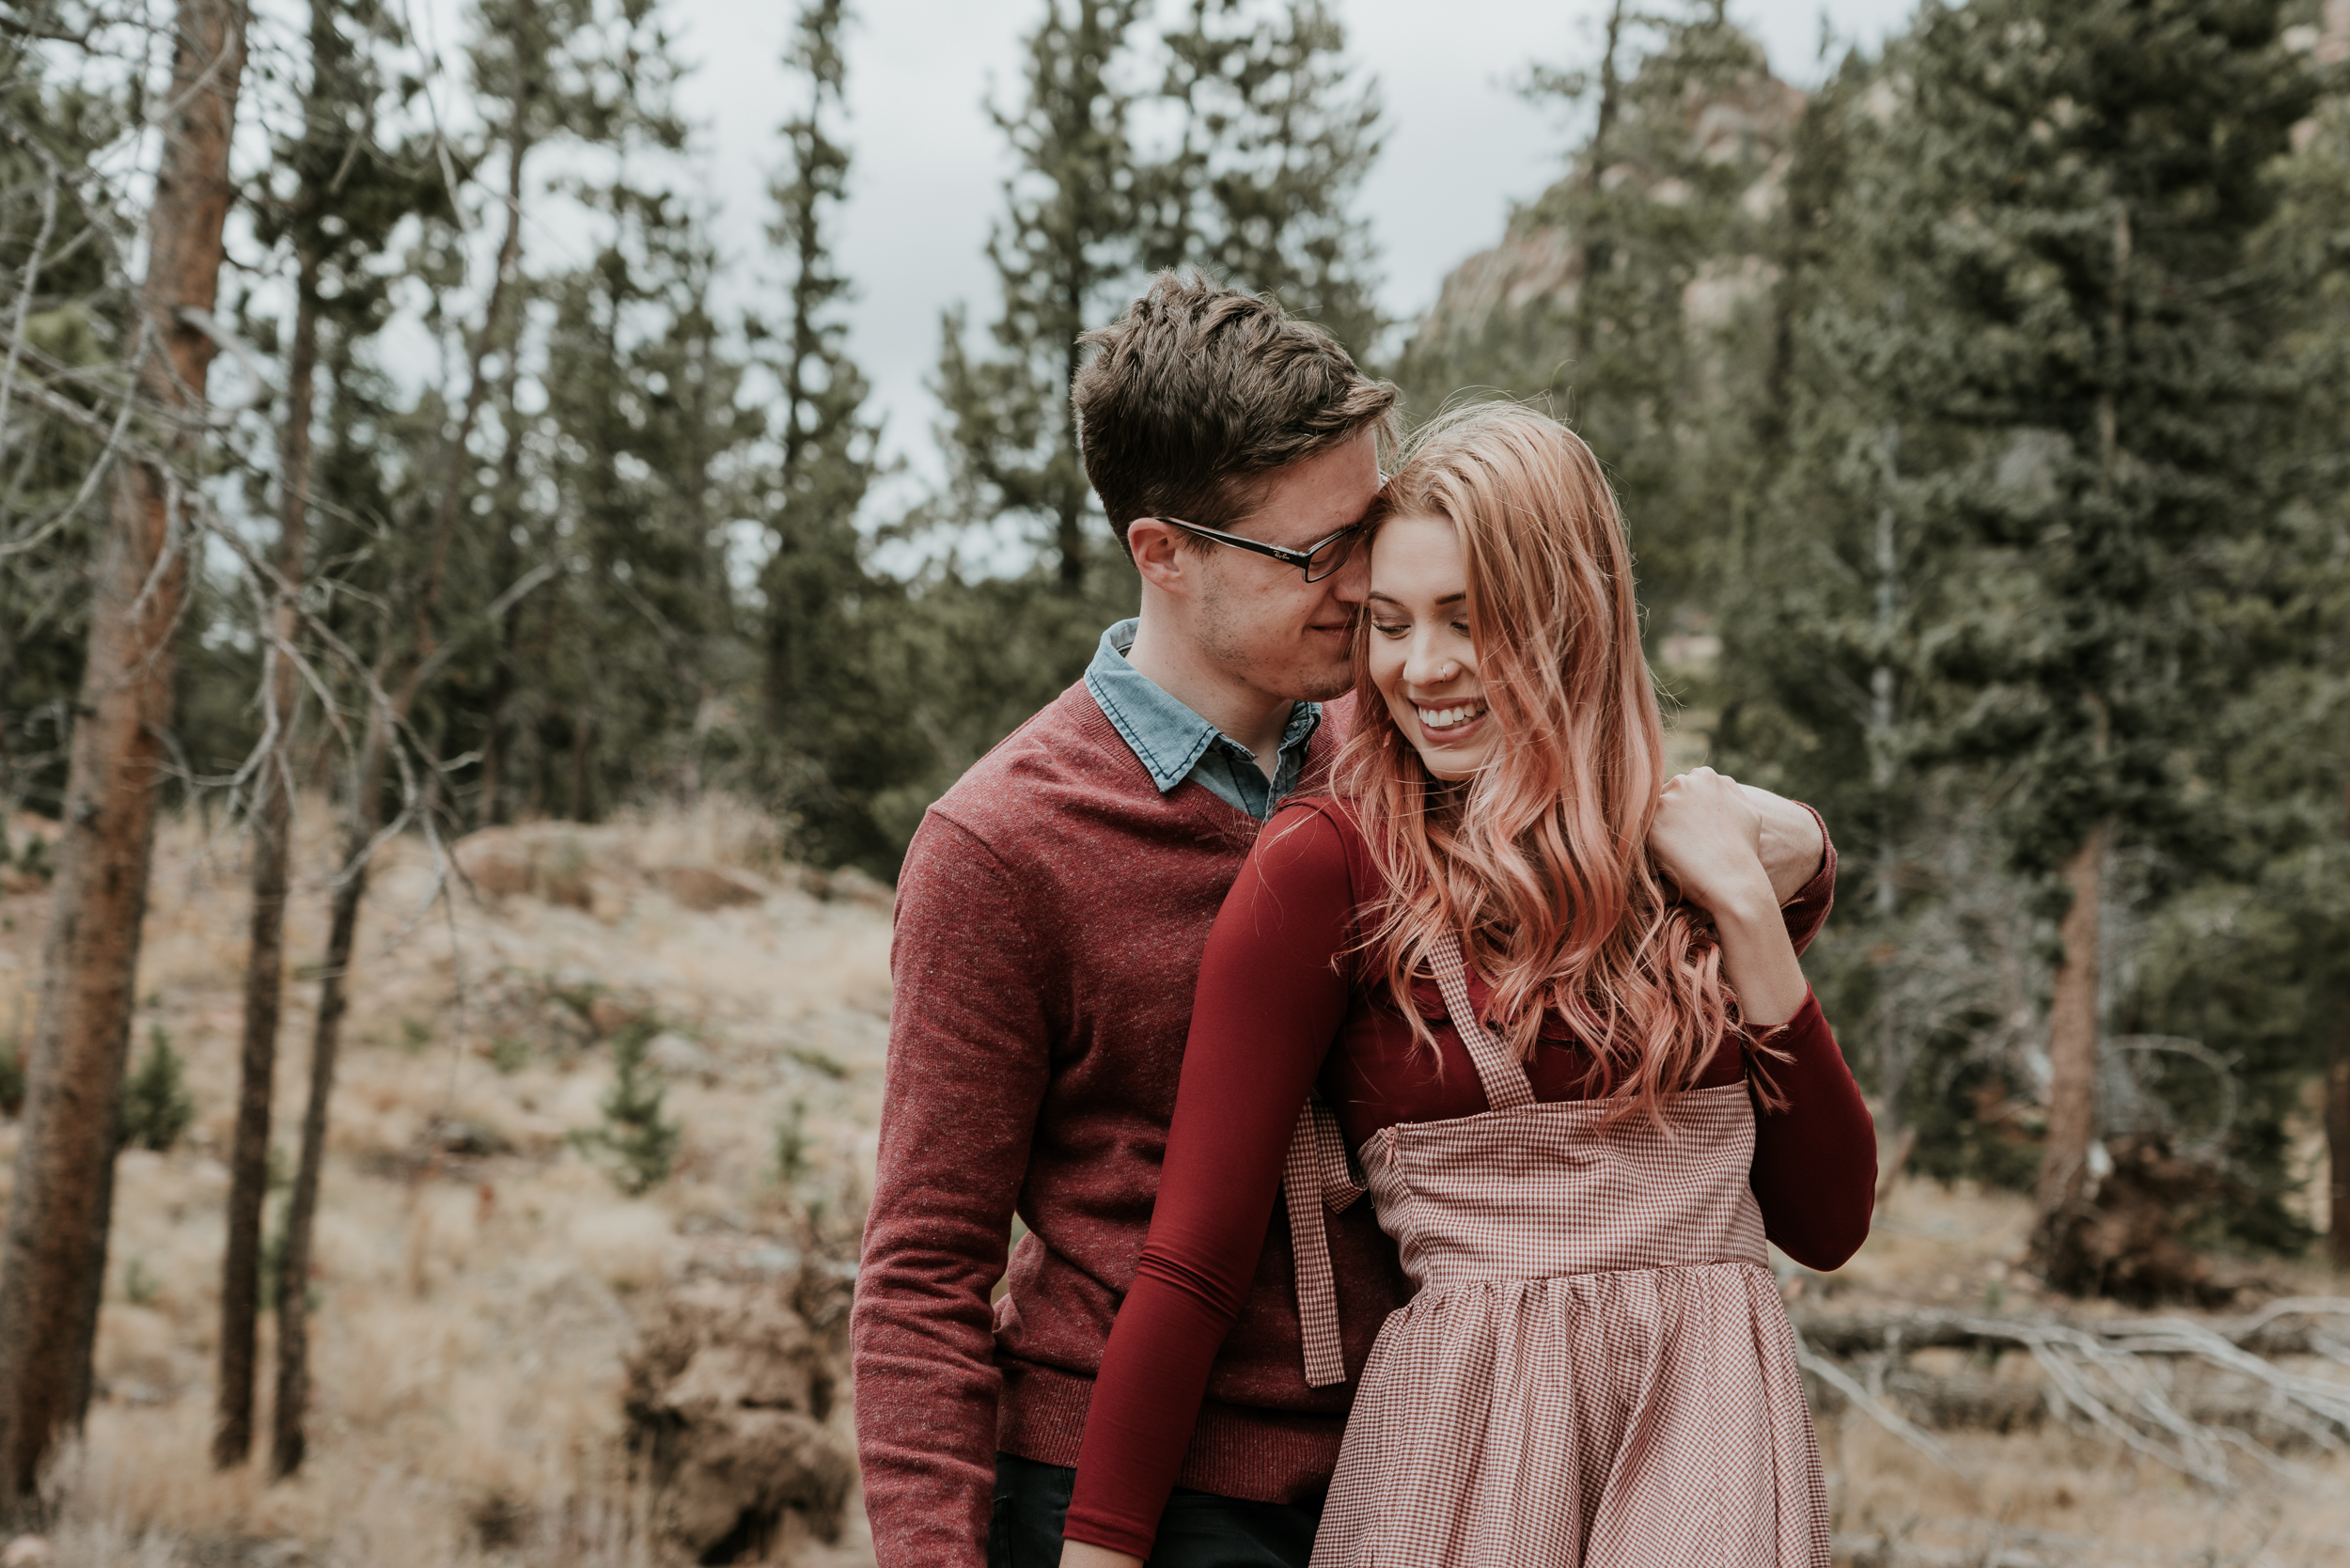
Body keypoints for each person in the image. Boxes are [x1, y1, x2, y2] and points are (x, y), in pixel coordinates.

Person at [853, 278, 1838, 1568]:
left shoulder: (1413, 750)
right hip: (1123, 1488)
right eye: (1320, 554)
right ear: (1166, 554)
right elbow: (923, 1278)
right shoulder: (1002, 847)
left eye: (1368, 525)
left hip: (1430, 1460)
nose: (1368, 582)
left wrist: (1802, 852)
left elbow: (1618, 868)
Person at [1055, 405, 1876, 1568]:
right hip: (1468, 1457)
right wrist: (1100, 1551)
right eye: (1387, 624)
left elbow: (1827, 1223)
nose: (1420, 668)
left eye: (1466, 621)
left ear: (1566, 620)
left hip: (1711, 1445)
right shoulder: (1328, 866)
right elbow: (1192, 1261)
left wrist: (1749, 906)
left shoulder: (1693, 855)